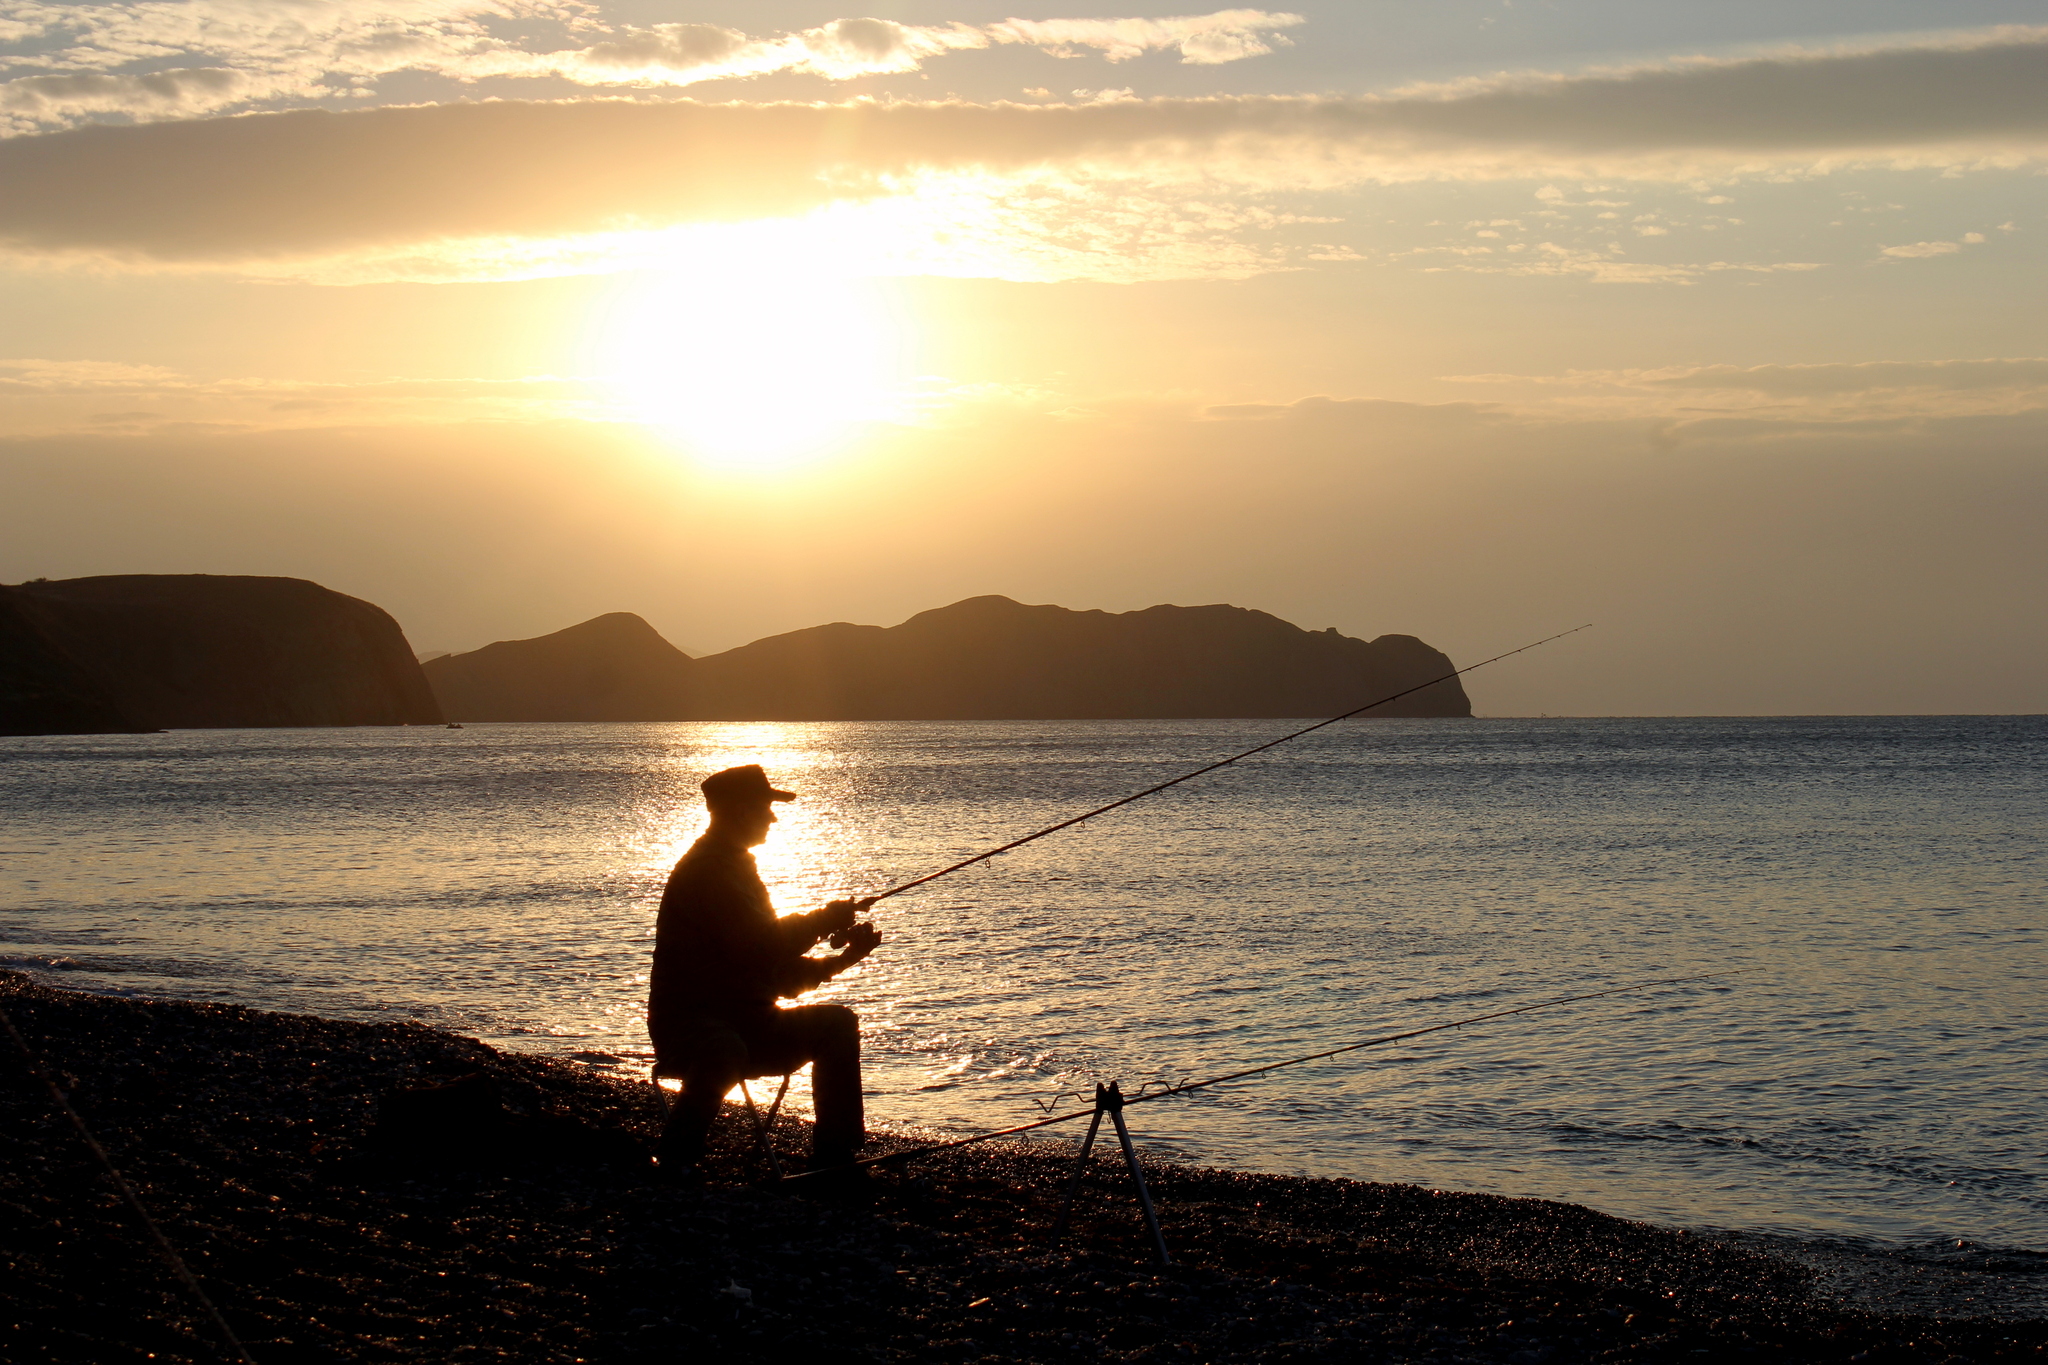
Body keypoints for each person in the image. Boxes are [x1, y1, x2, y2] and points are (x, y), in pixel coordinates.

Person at [647, 764, 881, 1178]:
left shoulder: (740, 869)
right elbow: (762, 946)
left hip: (749, 1023)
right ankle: (675, 1160)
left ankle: (834, 1159)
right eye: (765, 807)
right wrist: (824, 918)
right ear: (740, 811)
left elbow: (774, 972)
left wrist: (844, 959)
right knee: (724, 1049)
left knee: (836, 1024)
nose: (773, 817)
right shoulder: (707, 872)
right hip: (690, 1028)